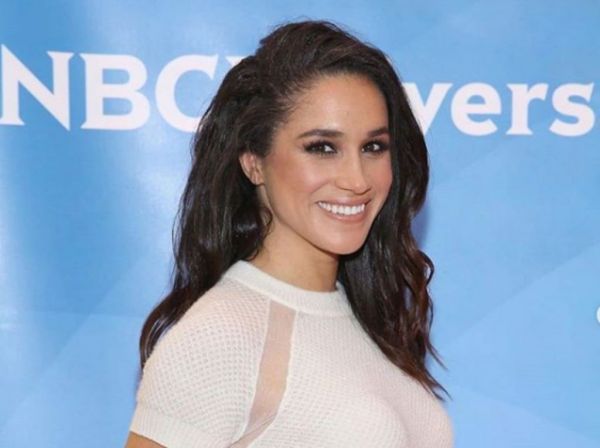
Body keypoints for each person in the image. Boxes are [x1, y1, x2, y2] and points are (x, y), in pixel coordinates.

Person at [125, 19, 454, 448]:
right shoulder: (219, 337)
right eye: (322, 148)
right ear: (254, 163)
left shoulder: (368, 321)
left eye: (373, 147)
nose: (357, 179)